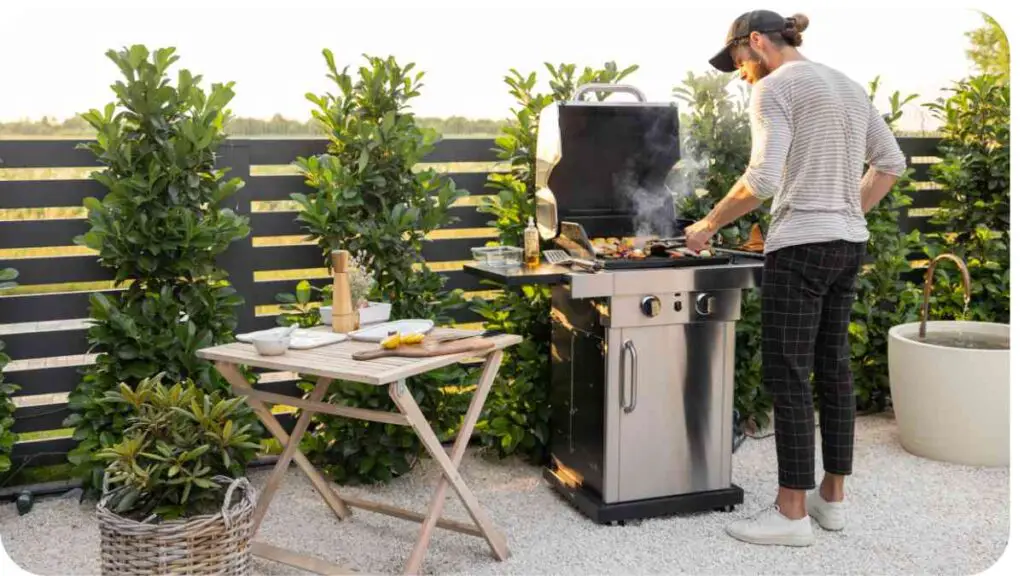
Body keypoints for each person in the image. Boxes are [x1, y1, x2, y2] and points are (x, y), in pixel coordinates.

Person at [685, 10, 907, 546]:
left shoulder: (775, 87)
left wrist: (707, 225)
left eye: (738, 60)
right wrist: (842, 211)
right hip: (848, 245)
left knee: (787, 373)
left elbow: (761, 177)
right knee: (833, 368)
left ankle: (789, 515)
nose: (740, 73)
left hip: (801, 249)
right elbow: (891, 161)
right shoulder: (848, 86)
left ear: (756, 42)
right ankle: (831, 500)